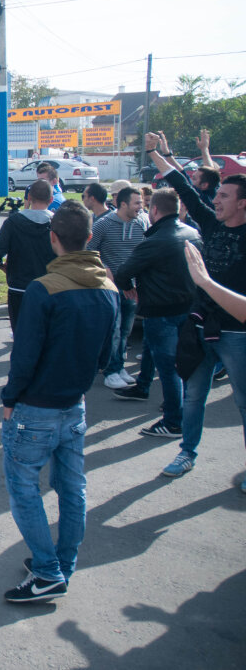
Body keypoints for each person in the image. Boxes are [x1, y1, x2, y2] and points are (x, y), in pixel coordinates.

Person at [0, 201, 118, 603]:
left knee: (24, 489)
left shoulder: (43, 288)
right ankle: (60, 566)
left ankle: (49, 571)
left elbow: (25, 355)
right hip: (75, 404)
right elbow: (107, 354)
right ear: (89, 238)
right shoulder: (107, 285)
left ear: (54, 238)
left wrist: (9, 399)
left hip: (36, 406)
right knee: (72, 489)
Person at [144, 134, 246, 483]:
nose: (214, 200)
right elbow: (182, 186)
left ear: (243, 203)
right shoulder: (214, 224)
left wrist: (204, 282)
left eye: (223, 196)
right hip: (202, 328)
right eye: (216, 195)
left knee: (243, 403)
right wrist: (154, 153)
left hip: (237, 334)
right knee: (193, 397)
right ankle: (186, 452)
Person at [110, 190, 201, 441]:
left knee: (170, 367)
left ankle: (173, 421)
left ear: (155, 211)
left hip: (161, 311)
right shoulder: (192, 234)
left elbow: (123, 272)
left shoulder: (154, 241)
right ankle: (143, 386)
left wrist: (129, 287)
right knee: (160, 355)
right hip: (187, 308)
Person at [87, 185, 149, 390]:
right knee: (113, 330)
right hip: (109, 289)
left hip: (131, 288)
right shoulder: (103, 224)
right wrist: (104, 268)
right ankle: (111, 371)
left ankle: (119, 366)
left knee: (125, 331)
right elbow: (88, 250)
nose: (141, 206)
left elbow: (146, 251)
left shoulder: (142, 223)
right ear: (123, 204)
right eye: (137, 203)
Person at [0, 180, 56, 333]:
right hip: (50, 287)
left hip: (19, 287)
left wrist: (2, 266)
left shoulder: (13, 222)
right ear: (51, 200)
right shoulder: (57, 223)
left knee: (21, 335)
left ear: (29, 198)